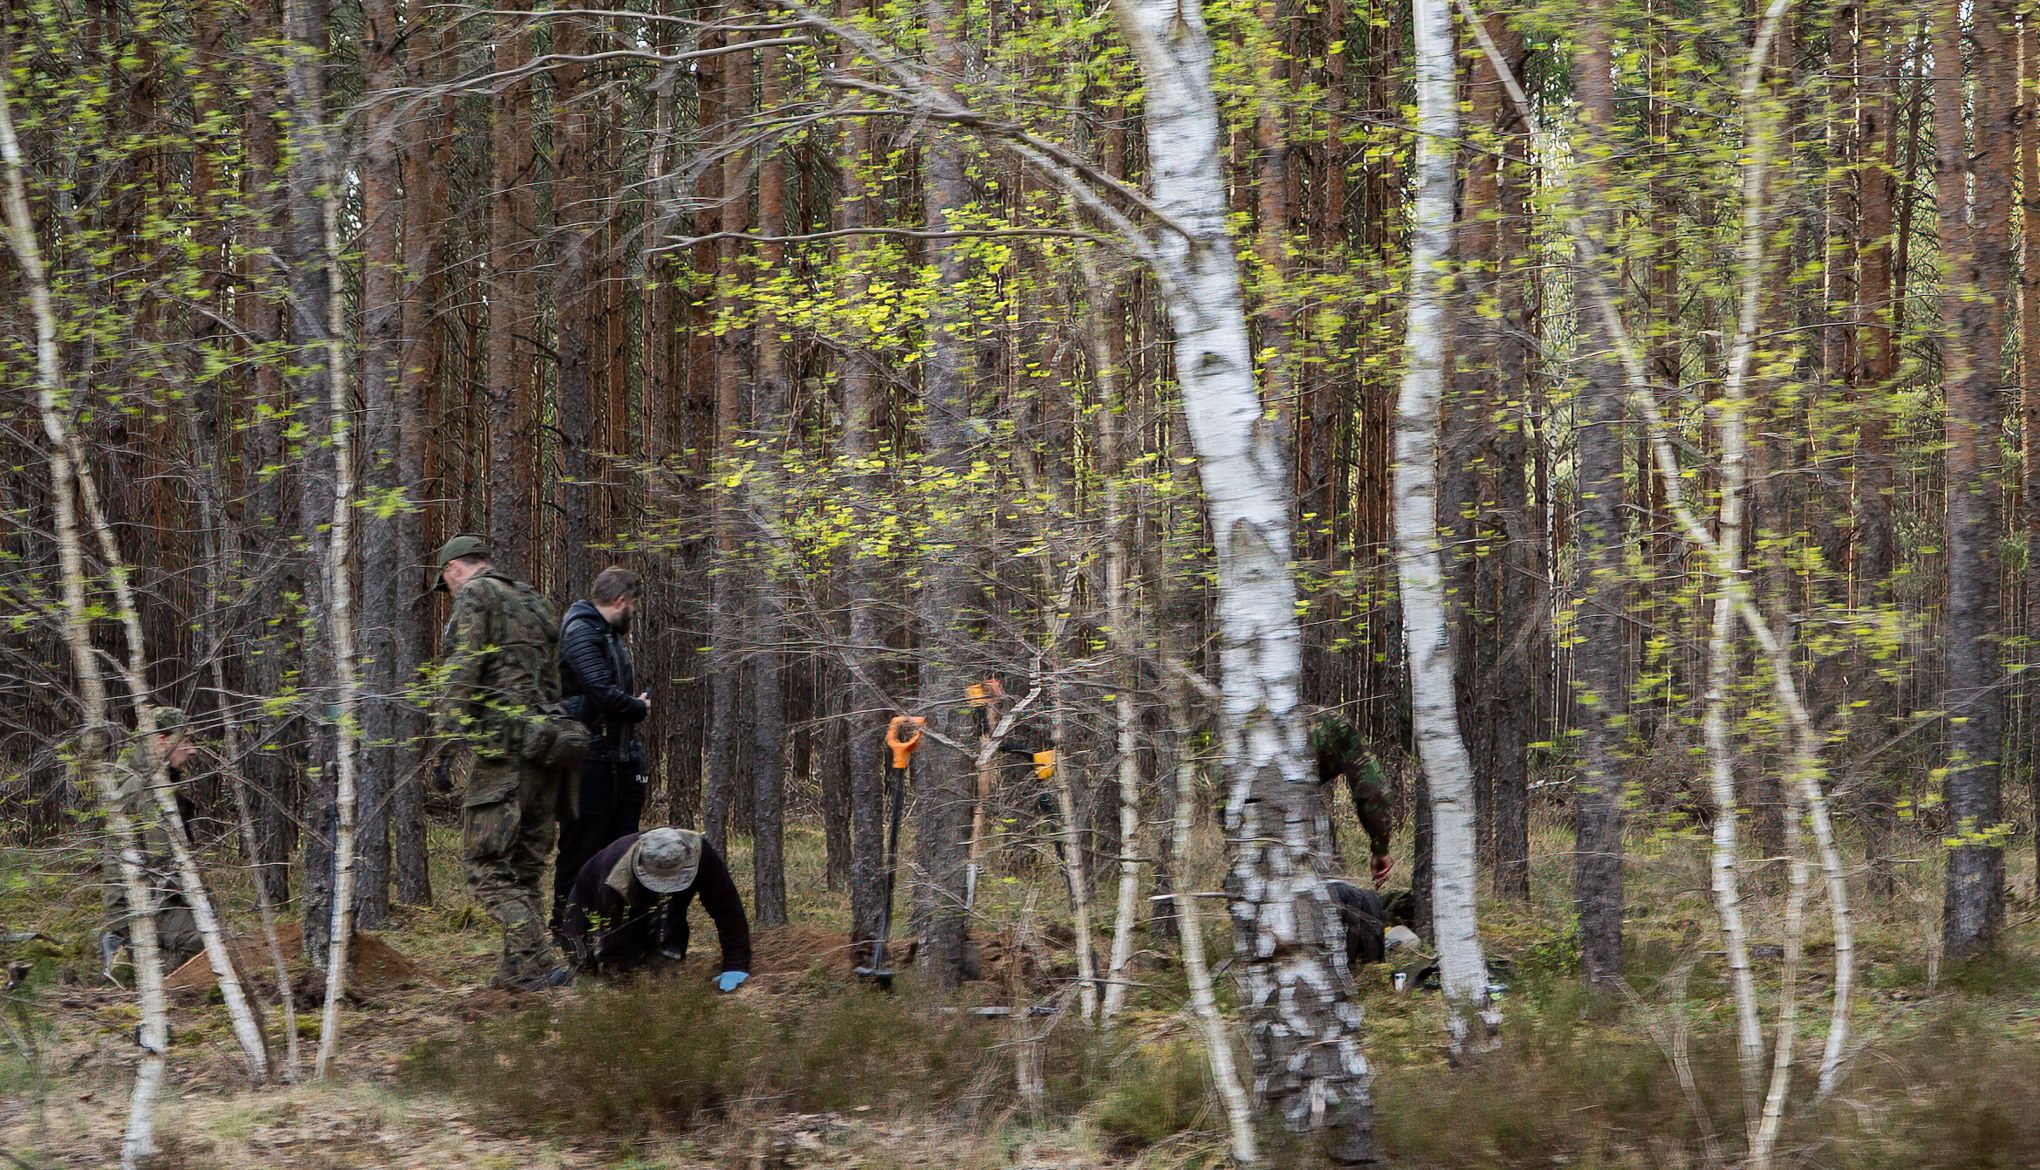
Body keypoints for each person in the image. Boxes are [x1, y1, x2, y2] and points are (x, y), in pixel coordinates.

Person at [431, 534, 573, 991]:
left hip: (505, 752)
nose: (449, 592)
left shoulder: (475, 594)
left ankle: (537, 963)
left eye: (446, 583)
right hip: (548, 748)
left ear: (454, 568)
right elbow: (555, 676)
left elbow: (462, 669)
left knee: (487, 866)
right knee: (525, 867)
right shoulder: (534, 599)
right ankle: (519, 973)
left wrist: (446, 745)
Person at [551, 567, 651, 936]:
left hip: (619, 758)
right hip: (589, 761)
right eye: (634, 605)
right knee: (580, 848)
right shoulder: (580, 630)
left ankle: (610, 931)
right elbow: (600, 691)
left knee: (621, 848)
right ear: (621, 601)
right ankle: (566, 930)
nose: (634, 612)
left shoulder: (609, 635)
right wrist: (637, 707)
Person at [560, 827, 751, 989]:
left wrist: (736, 962)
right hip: (589, 901)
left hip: (655, 906)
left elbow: (727, 907)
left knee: (667, 961)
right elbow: (614, 938)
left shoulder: (700, 853)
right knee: (585, 965)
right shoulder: (615, 881)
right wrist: (620, 986)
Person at [101, 707, 204, 980]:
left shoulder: (158, 781)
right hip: (139, 905)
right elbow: (161, 861)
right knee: (204, 938)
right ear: (161, 741)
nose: (192, 750)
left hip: (154, 897)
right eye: (185, 741)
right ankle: (131, 966)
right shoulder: (144, 789)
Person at [1310, 712, 1395, 889]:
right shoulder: (1329, 725)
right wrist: (1380, 848)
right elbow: (1373, 791)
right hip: (1300, 828)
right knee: (1329, 890)